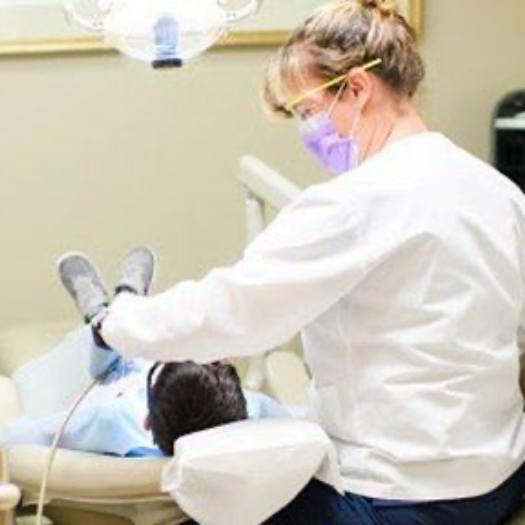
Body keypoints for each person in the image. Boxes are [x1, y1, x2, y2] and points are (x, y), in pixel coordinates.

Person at [59, 0, 525, 523]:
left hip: (397, 500)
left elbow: (234, 309)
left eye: (305, 110)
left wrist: (117, 324)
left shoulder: (355, 203)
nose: (306, 131)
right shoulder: (498, 192)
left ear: (356, 88)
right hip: (499, 483)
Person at [4, 252, 288, 458]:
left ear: (147, 423)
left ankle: (106, 311)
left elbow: (30, 435)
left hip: (114, 377)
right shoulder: (253, 407)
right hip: (172, 385)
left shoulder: (113, 419)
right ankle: (126, 303)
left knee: (116, 361)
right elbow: (306, 425)